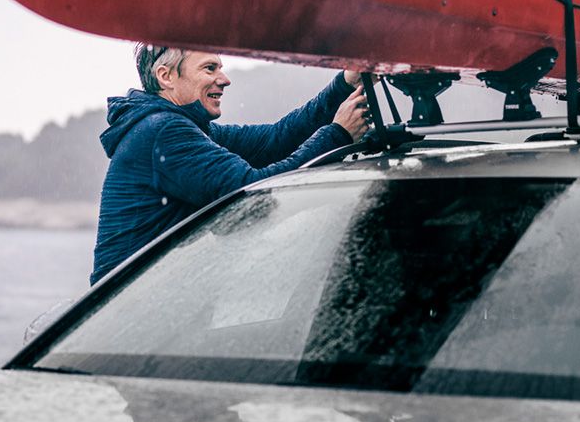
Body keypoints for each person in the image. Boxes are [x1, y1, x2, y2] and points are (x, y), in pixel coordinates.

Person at [91, 45, 370, 284]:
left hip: (143, 306)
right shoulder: (164, 132)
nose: (224, 79)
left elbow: (274, 140)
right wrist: (338, 135)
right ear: (166, 77)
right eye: (210, 68)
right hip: (131, 315)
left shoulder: (181, 127)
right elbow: (253, 194)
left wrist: (344, 84)